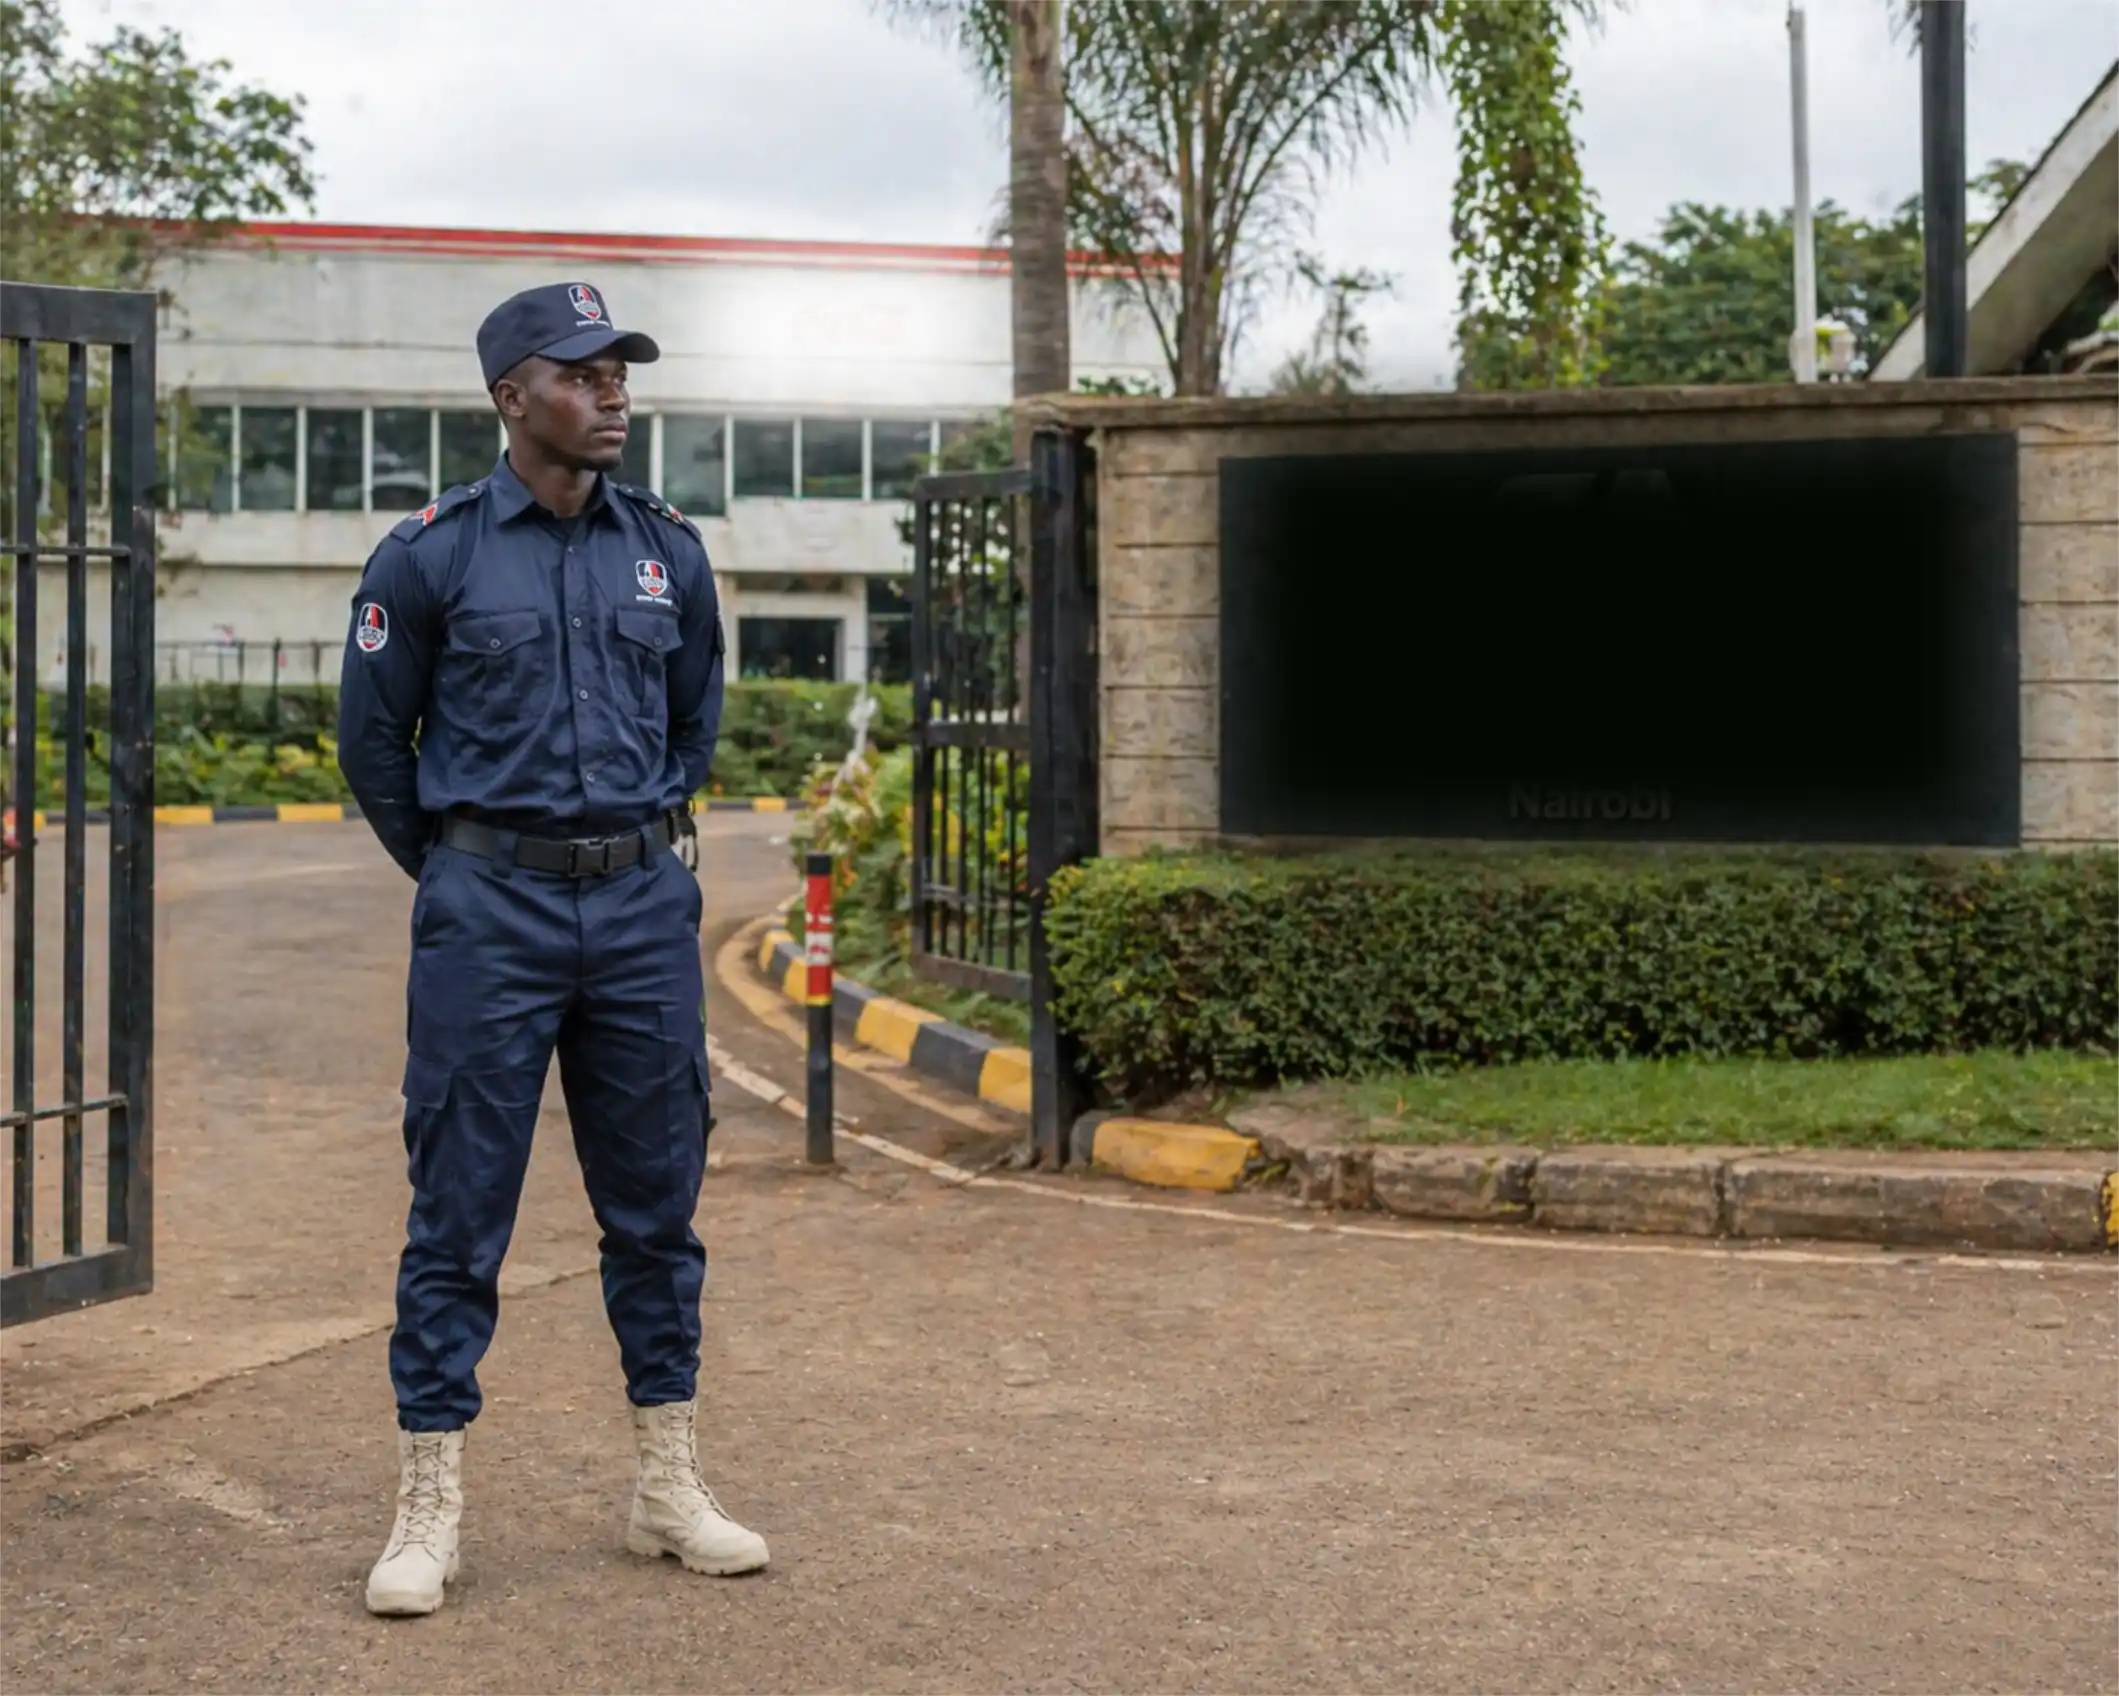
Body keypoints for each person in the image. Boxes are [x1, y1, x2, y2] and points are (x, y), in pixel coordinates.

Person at [337, 281, 766, 1619]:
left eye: (620, 371)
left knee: (656, 1209)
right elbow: (373, 745)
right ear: (511, 395)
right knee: (458, 1215)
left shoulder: (667, 552)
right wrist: (469, 869)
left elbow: (694, 716)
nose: (613, 394)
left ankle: (666, 1484)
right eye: (581, 374)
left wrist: (622, 848)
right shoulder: (433, 554)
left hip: (638, 910)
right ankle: (429, 1506)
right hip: (491, 917)